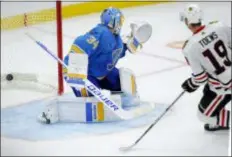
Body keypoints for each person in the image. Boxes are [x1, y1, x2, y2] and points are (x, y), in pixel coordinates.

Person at [38, 7, 152, 124]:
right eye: (119, 21)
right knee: (91, 100)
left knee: (125, 78)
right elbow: (80, 44)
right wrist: (75, 68)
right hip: (82, 73)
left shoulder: (116, 38)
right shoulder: (101, 32)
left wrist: (129, 45)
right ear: (113, 21)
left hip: (102, 74)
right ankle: (57, 111)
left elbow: (114, 54)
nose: (121, 24)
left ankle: (125, 101)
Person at [180, 4, 231, 131]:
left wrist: (190, 84)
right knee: (208, 91)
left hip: (224, 87)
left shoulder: (189, 47)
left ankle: (220, 120)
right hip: (225, 79)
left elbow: (201, 78)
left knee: (203, 116)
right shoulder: (220, 26)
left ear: (187, 22)